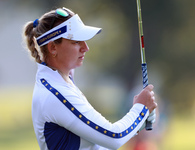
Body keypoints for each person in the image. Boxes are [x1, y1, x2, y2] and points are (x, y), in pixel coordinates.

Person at [23, 7, 157, 150]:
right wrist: (141, 109)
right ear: (53, 48)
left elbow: (96, 142)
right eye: (76, 41)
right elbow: (113, 137)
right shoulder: (56, 94)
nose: (85, 47)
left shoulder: (61, 80)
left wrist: (139, 122)